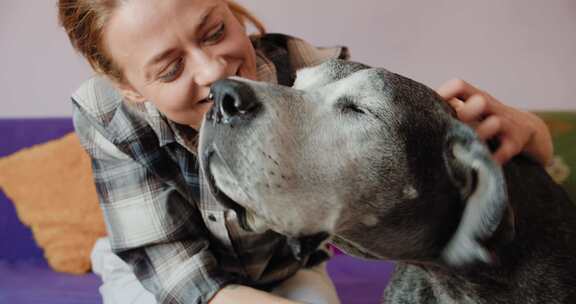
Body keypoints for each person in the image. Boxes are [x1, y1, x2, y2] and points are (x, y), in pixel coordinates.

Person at [57, 0, 553, 303]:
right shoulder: (106, 115)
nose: (215, 72)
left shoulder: (310, 71)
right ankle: (107, 255)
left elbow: (418, 135)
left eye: (214, 31)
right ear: (132, 91)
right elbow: (177, 275)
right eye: (169, 70)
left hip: (285, 265)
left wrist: (529, 128)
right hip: (165, 271)